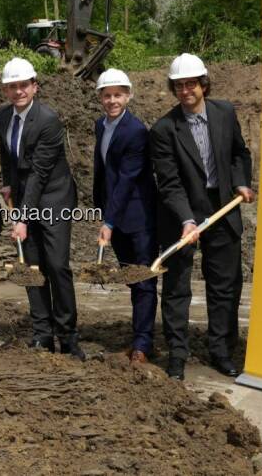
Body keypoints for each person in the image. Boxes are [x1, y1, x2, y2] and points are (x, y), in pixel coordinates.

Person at [150, 53, 255, 381]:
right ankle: (178, 355)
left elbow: (240, 153)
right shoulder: (165, 129)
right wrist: (186, 220)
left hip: (222, 207)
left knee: (224, 285)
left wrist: (240, 181)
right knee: (177, 286)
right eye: (179, 86)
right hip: (181, 211)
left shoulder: (224, 112)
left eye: (191, 84)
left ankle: (221, 351)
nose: (185, 91)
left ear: (203, 84)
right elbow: (169, 183)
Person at [0, 58, 84, 360]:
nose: (18, 91)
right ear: (6, 90)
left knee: (57, 266)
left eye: (23, 85)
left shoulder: (48, 120)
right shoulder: (2, 117)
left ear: (34, 86)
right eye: (12, 86)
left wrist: (22, 217)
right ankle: (42, 334)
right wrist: (7, 183)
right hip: (24, 196)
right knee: (32, 269)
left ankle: (68, 337)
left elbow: (39, 173)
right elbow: (7, 156)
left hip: (54, 200)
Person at [92, 68, 158, 364]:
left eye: (118, 95)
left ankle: (143, 346)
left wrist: (108, 221)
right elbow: (103, 173)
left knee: (143, 281)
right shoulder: (100, 126)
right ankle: (138, 336)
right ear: (100, 98)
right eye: (107, 95)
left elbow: (127, 179)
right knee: (133, 281)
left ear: (128, 96)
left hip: (139, 218)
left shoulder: (136, 131)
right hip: (116, 216)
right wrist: (101, 211)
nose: (112, 100)